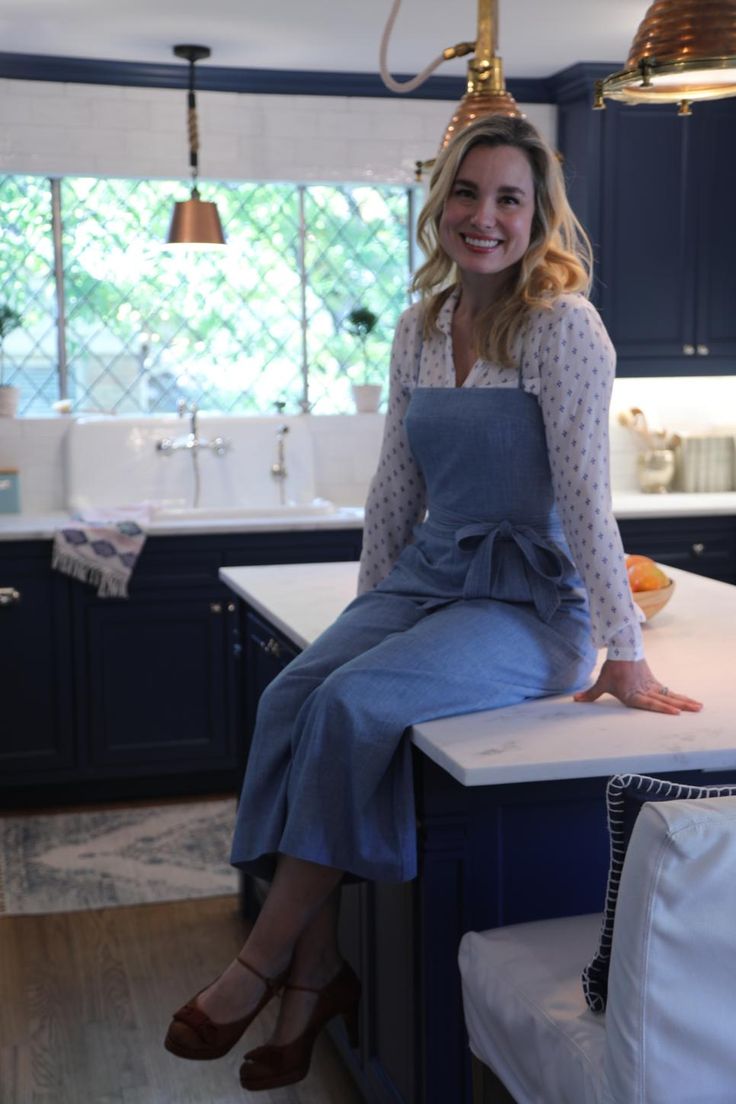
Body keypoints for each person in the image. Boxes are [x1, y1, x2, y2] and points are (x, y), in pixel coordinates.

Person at [164, 114, 702, 1091]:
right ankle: (321, 969)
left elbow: (585, 496)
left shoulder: (560, 326)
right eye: (467, 192)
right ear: (439, 202)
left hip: (528, 606)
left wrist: (619, 649)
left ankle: (264, 962)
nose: (483, 216)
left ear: (538, 217)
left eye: (508, 199)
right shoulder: (419, 324)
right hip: (425, 583)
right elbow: (394, 488)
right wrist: (368, 619)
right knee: (295, 694)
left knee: (354, 706)